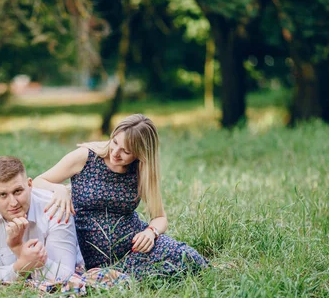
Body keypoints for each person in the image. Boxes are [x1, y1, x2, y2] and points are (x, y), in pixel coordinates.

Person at [32, 114, 209, 279]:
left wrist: (150, 232)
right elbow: (38, 181)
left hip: (134, 247)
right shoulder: (86, 157)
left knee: (189, 258)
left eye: (126, 151)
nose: (116, 152)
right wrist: (60, 189)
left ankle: (117, 275)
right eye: (114, 142)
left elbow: (160, 217)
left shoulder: (141, 170)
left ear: (141, 154)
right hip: (93, 254)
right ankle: (110, 274)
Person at [0, 156, 82, 282]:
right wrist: (20, 267)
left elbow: (65, 275)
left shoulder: (55, 207)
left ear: (30, 184)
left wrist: (18, 247)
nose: (13, 203)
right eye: (3, 195)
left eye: (17, 191)